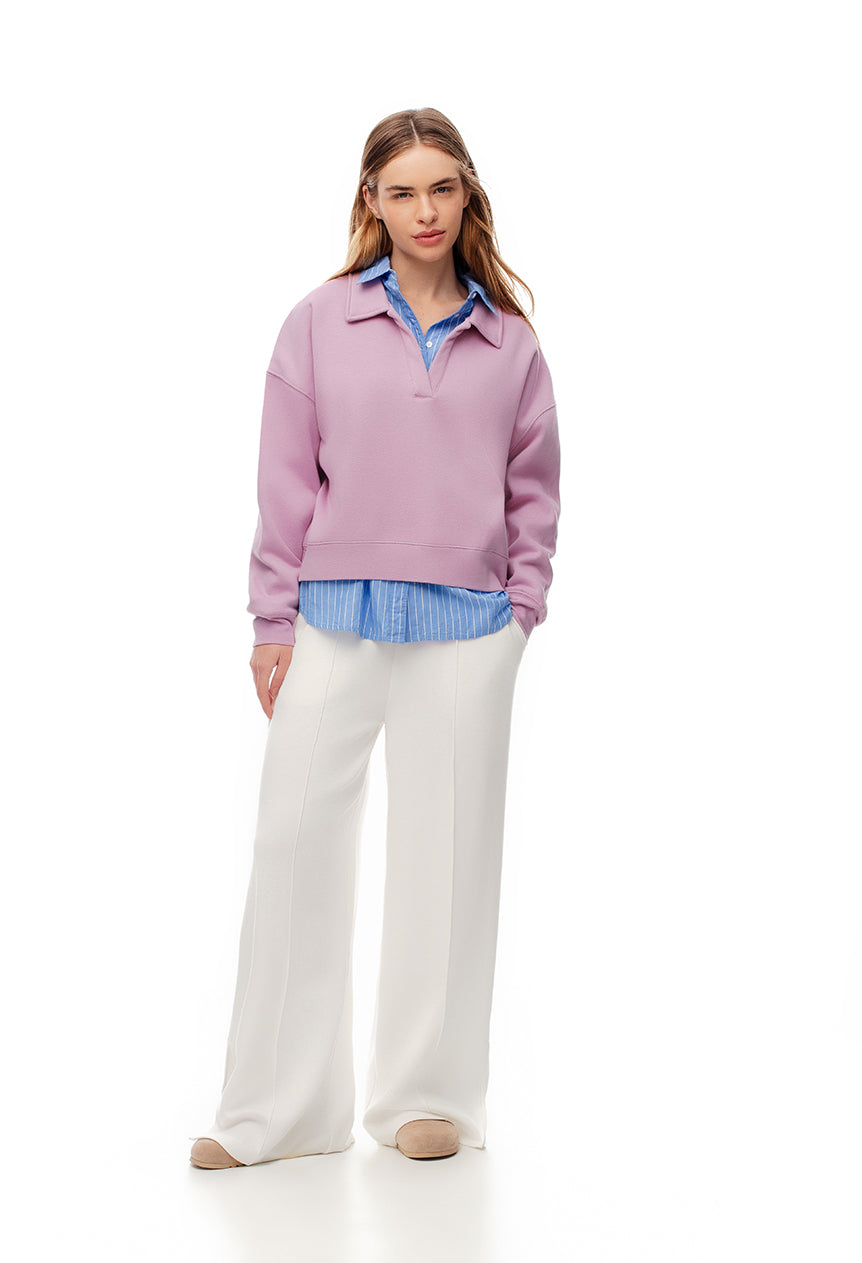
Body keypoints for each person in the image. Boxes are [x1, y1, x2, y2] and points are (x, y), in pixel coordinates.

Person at [189, 106, 561, 1170]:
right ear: (373, 202)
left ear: (466, 192)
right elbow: (283, 481)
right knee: (293, 843)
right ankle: (274, 1111)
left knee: (448, 859)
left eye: (441, 187)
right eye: (402, 191)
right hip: (331, 618)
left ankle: (425, 1099)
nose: (424, 210)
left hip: (469, 627)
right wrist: (272, 619)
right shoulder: (317, 322)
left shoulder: (511, 342)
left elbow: (534, 488)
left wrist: (521, 610)